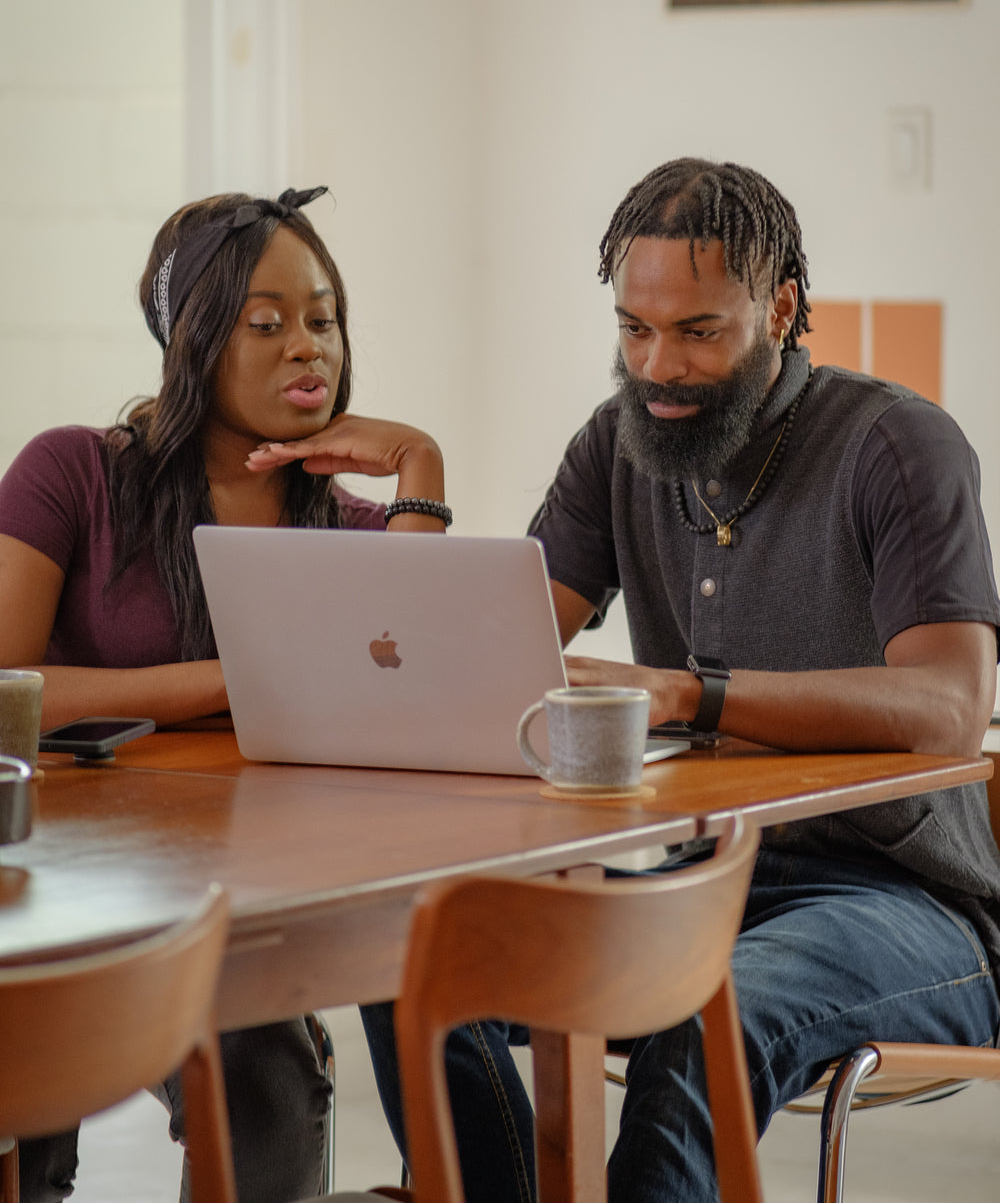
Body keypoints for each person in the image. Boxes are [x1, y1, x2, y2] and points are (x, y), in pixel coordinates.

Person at [360, 157, 1000, 1203]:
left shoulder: (896, 445)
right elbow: (486, 658)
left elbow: (946, 710)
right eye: (633, 329)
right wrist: (416, 484)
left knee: (704, 1019)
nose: (658, 367)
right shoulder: (616, 446)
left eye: (697, 333)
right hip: (700, 885)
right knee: (410, 960)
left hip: (905, 906)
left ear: (782, 307)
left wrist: (687, 693)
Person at [0, 186, 450, 1202]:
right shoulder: (70, 473)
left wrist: (417, 465)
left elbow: (408, 674)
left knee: (271, 1081)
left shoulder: (343, 528)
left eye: (323, 319)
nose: (307, 347)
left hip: (243, 902)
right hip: (60, 886)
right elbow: (4, 689)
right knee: (25, 1102)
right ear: (194, 338)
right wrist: (235, 680)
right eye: (267, 323)